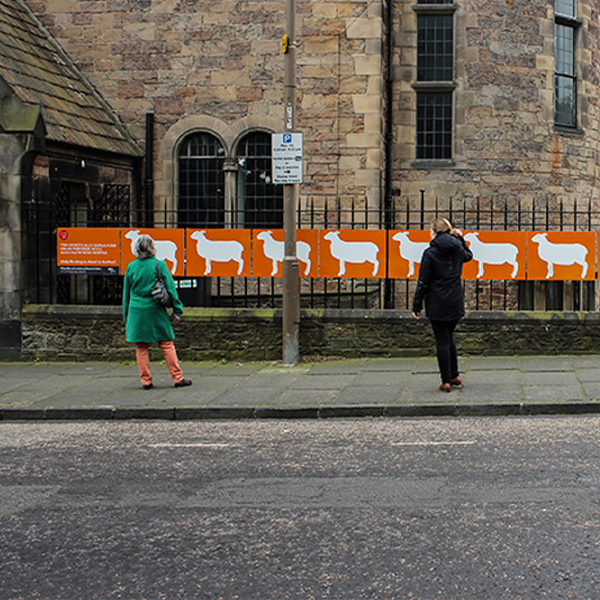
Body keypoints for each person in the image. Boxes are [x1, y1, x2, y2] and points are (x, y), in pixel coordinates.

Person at [123, 234, 192, 390]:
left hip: (136, 311)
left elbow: (126, 293)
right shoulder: (159, 265)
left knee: (141, 348)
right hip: (155, 309)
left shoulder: (131, 267)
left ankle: (146, 381)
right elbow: (171, 289)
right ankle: (177, 378)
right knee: (166, 344)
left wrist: (126, 315)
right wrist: (177, 309)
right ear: (152, 248)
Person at [412, 218, 473, 392]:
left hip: (437, 301)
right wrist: (461, 239)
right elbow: (469, 256)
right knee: (449, 338)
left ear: (434, 232)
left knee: (442, 340)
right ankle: (454, 375)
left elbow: (423, 281)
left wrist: (417, 305)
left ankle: (446, 380)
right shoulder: (457, 249)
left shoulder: (430, 253)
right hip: (454, 300)